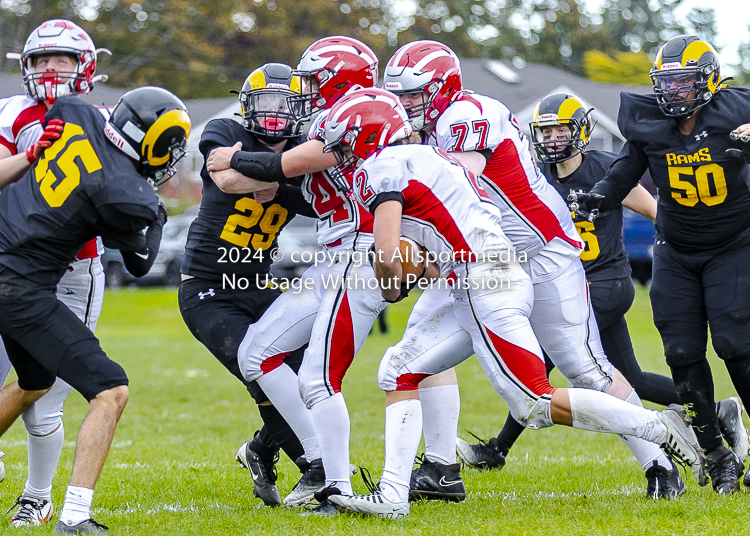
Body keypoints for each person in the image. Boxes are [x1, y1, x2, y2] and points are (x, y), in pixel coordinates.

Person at [321, 87, 704, 519]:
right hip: (484, 269)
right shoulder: (429, 154)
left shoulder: (403, 156)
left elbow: (393, 256)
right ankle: (405, 487)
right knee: (400, 367)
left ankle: (658, 430)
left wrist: (392, 277)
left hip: (503, 272)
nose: (335, 155)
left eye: (340, 143)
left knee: (540, 397)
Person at [455, 93, 748, 480]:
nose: (553, 139)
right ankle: (717, 412)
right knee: (631, 380)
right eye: (545, 131)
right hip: (566, 283)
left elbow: (656, 211)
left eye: (560, 129)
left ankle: (497, 449)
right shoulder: (534, 175)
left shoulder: (605, 167)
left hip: (604, 282)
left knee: (546, 358)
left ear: (580, 129)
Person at [0, 85, 190, 535]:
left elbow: (61, 122)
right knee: (111, 390)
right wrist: (158, 216)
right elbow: (141, 264)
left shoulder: (72, 111)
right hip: (19, 287)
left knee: (33, 383)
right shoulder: (125, 191)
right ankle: (74, 516)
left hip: (6, 263)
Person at [570, 34, 750, 494]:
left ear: (709, 81)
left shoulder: (737, 111)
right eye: (666, 84)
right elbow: (627, 169)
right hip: (675, 249)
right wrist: (600, 197)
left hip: (735, 244)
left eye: (683, 83)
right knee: (681, 354)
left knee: (735, 345)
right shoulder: (650, 122)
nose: (673, 93)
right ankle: (716, 454)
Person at [211, 36, 383, 513]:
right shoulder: (336, 117)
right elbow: (277, 181)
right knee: (260, 356)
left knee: (318, 375)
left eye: (312, 79)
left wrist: (233, 158)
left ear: (337, 80)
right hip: (337, 255)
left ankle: (333, 481)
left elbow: (278, 165)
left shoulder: (353, 117)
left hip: (358, 254)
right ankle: (325, 473)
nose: (303, 92)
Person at [178, 63, 320, 506]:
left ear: (299, 108)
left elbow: (321, 203)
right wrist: (285, 177)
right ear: (246, 106)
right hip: (207, 287)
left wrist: (274, 181)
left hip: (257, 283)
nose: (276, 114)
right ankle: (316, 471)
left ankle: (259, 450)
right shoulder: (223, 128)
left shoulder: (302, 147)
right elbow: (226, 178)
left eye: (285, 104)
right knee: (262, 377)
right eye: (266, 104)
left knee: (308, 377)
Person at [0, 19, 115, 528]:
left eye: (61, 59)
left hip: (73, 269)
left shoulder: (105, 118)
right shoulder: (11, 114)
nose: (50, 69)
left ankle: (37, 494)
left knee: (44, 393)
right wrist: (32, 154)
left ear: (83, 66)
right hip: (11, 268)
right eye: (41, 60)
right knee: (18, 386)